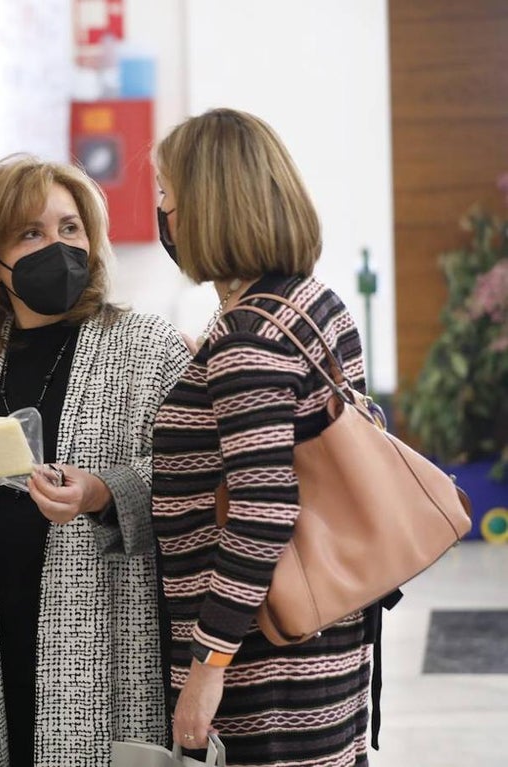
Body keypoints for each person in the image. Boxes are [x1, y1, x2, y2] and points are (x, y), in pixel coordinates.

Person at [0, 155, 190, 766]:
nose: (58, 246)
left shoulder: (147, 348)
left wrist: (105, 491)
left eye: (70, 228)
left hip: (109, 642)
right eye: (32, 233)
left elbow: (192, 479)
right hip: (2, 629)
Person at [151, 108, 374, 766]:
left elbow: (264, 508)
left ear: (208, 204)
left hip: (264, 668)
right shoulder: (313, 303)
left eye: (166, 194)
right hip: (328, 634)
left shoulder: (249, 338)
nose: (161, 213)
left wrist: (207, 665)